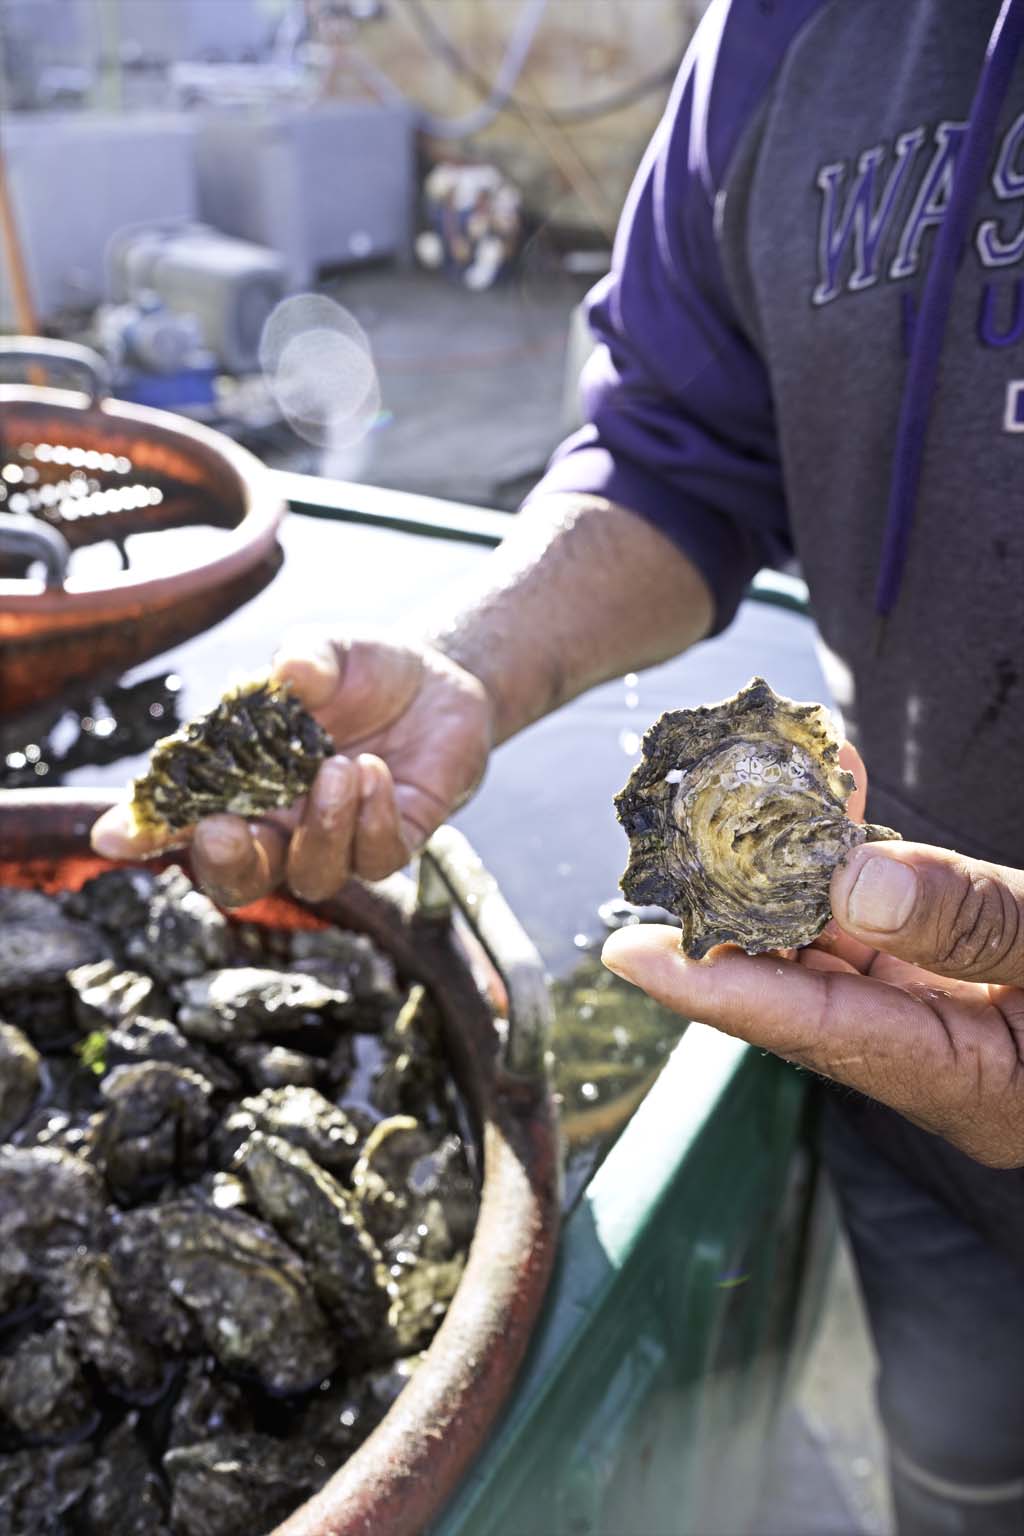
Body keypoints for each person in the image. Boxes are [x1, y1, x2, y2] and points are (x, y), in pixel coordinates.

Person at [94, 1, 1024, 1530]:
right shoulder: (788, 30)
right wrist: (476, 665)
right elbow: (678, 447)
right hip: (899, 1042)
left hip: (892, 979)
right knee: (964, 1486)